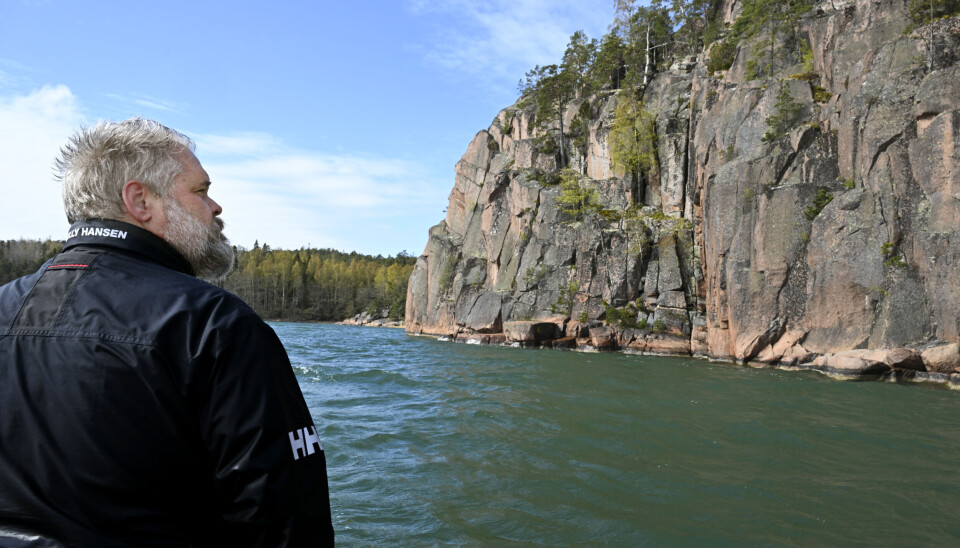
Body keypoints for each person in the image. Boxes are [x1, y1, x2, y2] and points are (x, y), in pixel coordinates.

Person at [0, 118, 334, 546]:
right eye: (201, 190)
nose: (215, 208)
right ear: (141, 200)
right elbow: (282, 521)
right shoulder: (213, 322)